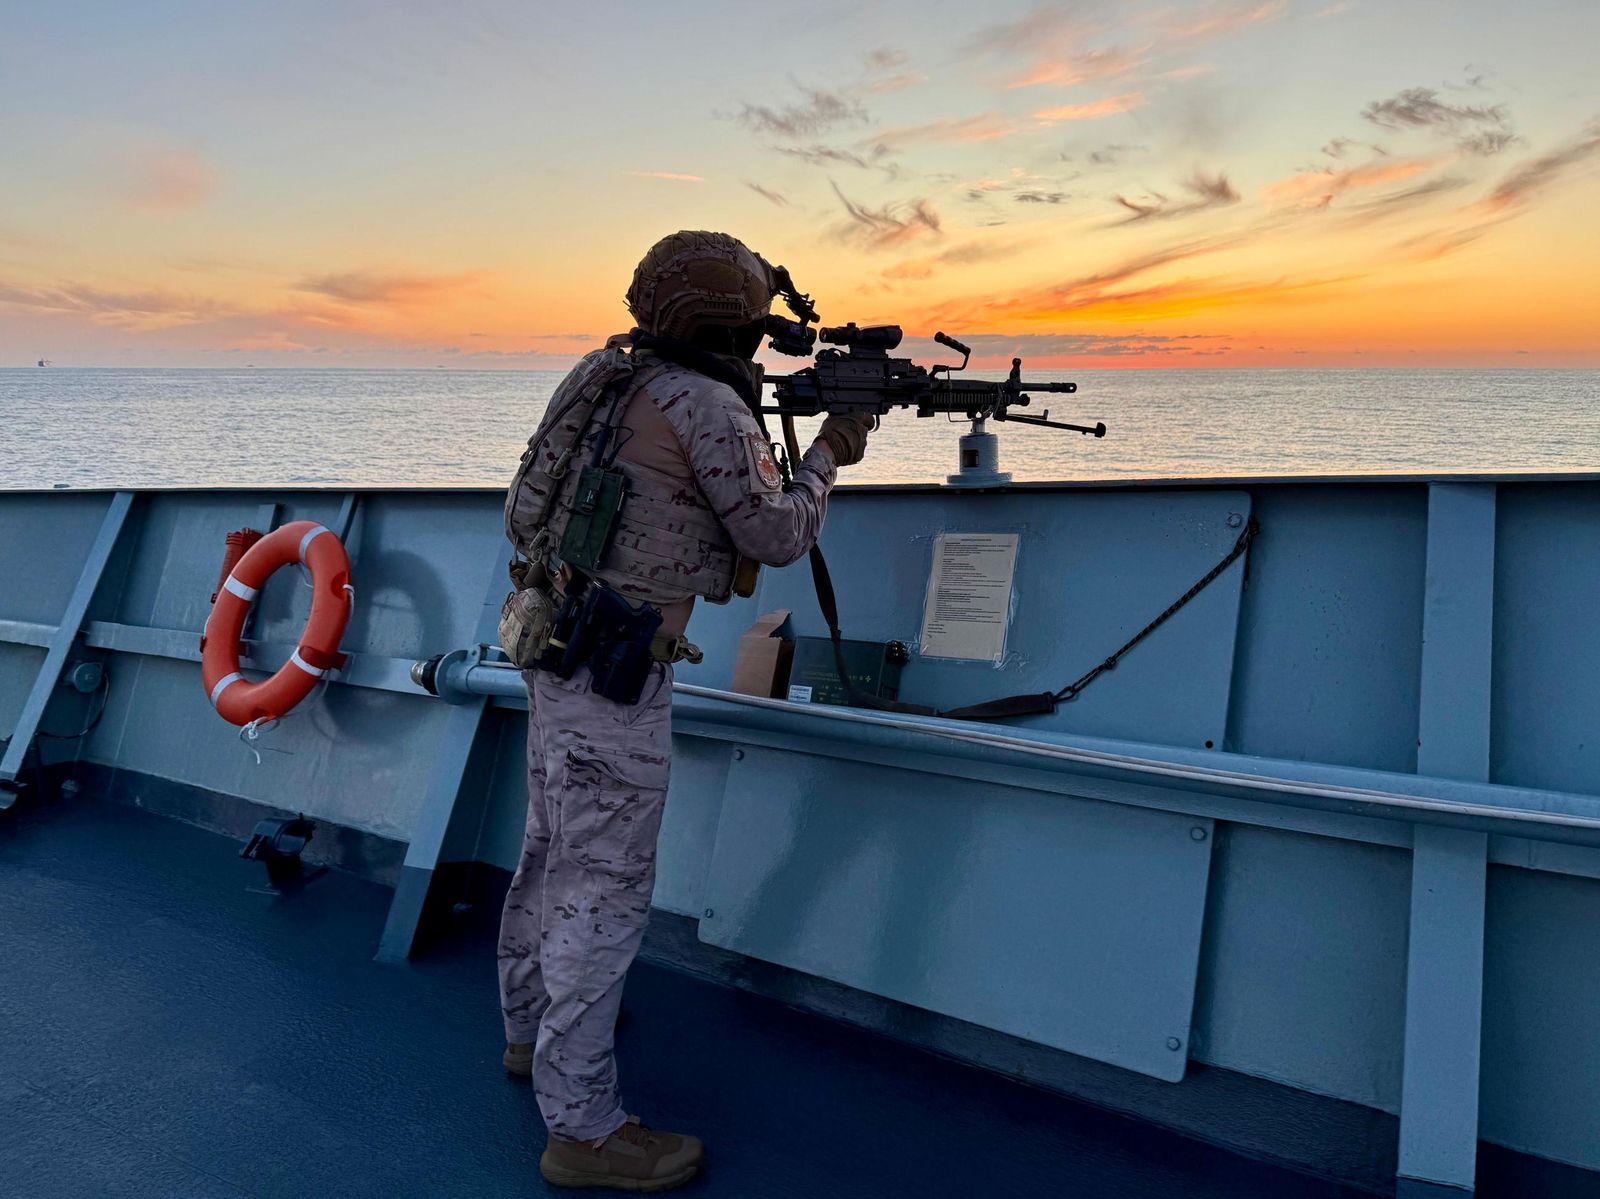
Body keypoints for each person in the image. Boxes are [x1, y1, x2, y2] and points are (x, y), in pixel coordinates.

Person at [497, 230, 872, 1191]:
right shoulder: (705, 404)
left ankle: (529, 1031)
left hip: (555, 646)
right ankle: (582, 1129)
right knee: (603, 890)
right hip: (616, 677)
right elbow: (776, 532)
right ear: (730, 323)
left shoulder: (602, 374)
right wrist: (830, 453)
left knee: (548, 851)